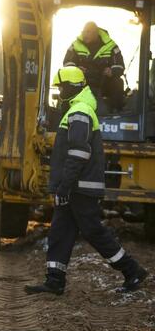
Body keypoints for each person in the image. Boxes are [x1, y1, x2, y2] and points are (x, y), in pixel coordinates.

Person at [25, 67, 147, 295]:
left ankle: (132, 270)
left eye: (62, 87)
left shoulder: (79, 111)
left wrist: (64, 185)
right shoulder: (77, 109)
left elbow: (79, 152)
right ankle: (54, 281)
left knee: (93, 231)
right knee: (60, 231)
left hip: (79, 188)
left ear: (72, 87)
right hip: (75, 186)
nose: (60, 92)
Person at [63, 21, 125, 112]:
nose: (85, 34)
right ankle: (66, 112)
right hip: (82, 83)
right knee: (67, 83)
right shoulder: (75, 45)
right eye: (84, 31)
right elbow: (67, 63)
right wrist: (76, 69)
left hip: (104, 83)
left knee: (118, 82)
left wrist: (112, 71)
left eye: (88, 32)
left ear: (96, 33)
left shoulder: (111, 46)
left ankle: (116, 113)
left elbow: (120, 66)